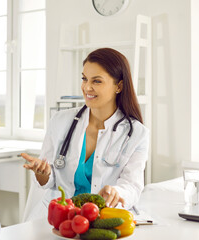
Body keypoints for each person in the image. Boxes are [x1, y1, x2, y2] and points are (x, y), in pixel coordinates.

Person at [22, 48, 149, 219]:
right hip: (60, 218)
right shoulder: (60, 121)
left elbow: (132, 186)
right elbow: (49, 180)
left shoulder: (136, 134)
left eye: (96, 81)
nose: (87, 87)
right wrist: (42, 173)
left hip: (102, 218)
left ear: (118, 86)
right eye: (84, 79)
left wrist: (116, 192)